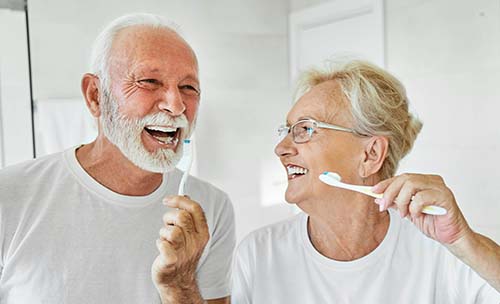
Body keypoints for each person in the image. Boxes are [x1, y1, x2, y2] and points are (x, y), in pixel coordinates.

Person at [0, 13, 235, 304]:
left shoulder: (211, 208)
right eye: (149, 81)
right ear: (96, 96)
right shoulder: (9, 196)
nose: (176, 105)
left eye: (188, 87)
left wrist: (180, 285)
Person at [231, 60, 500, 303]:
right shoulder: (258, 255)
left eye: (305, 129)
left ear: (371, 155)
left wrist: (464, 242)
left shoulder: (442, 252)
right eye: (287, 130)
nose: (281, 147)